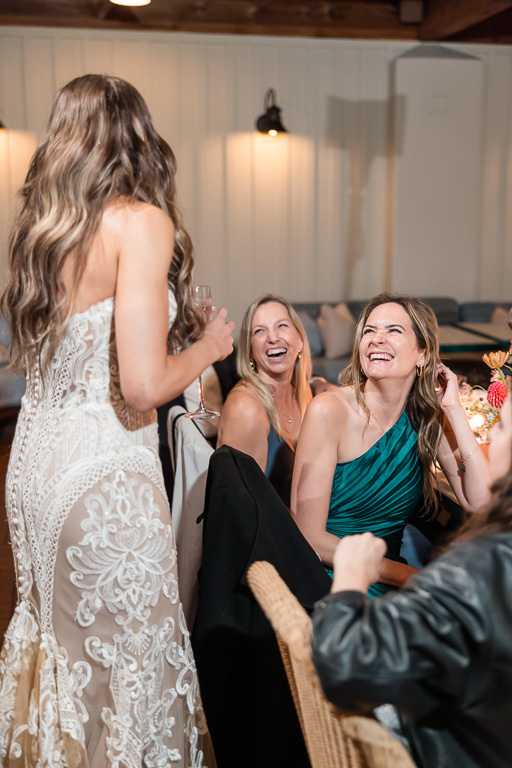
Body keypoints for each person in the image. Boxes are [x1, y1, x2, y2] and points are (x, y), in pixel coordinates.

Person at [0, 74, 234, 767]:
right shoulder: (141, 221)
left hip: (34, 479)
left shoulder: (46, 231)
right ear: (139, 136)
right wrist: (208, 347)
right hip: (104, 477)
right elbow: (141, 387)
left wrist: (170, 328)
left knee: (62, 666)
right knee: (129, 674)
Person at [311, 389, 512, 768]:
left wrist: (354, 579)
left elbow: (345, 667)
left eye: (500, 426)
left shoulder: (476, 570)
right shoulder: (331, 409)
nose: (493, 437)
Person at [291, 293, 490, 596]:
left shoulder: (426, 417)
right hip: (331, 578)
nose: (376, 339)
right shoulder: (327, 410)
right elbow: (308, 536)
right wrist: (411, 576)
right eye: (369, 331)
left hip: (390, 577)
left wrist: (454, 410)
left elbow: (479, 501)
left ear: (422, 354)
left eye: (393, 330)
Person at [216, 294, 314, 507]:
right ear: (250, 350)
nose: (273, 338)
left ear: (300, 341)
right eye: (259, 331)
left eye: (282, 326)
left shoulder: (307, 394)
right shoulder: (246, 408)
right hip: (274, 537)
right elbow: (239, 510)